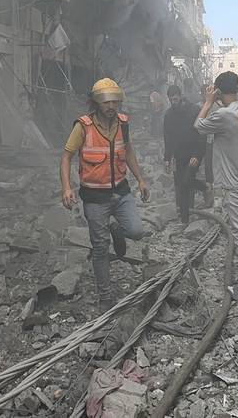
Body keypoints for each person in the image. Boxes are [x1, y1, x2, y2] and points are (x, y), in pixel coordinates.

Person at [60, 78, 151, 309]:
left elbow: (128, 151)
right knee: (100, 248)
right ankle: (105, 296)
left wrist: (140, 179)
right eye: (106, 102)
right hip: (94, 198)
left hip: (120, 192)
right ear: (96, 102)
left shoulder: (123, 123)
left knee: (137, 231)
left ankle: (116, 230)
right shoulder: (83, 126)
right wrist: (67, 187)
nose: (111, 106)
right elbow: (66, 156)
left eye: (115, 102)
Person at [196, 71, 238, 303]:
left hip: (233, 181)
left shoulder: (223, 114)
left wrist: (207, 102)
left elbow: (199, 125)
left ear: (219, 91)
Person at [162, 85, 207, 225]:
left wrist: (198, 155)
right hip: (179, 155)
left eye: (175, 98)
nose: (173, 102)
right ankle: (185, 217)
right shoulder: (169, 115)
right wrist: (167, 158)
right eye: (170, 100)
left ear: (180, 96)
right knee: (182, 186)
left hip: (193, 153)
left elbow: (202, 134)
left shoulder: (194, 110)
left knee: (187, 182)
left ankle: (205, 189)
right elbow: (167, 138)